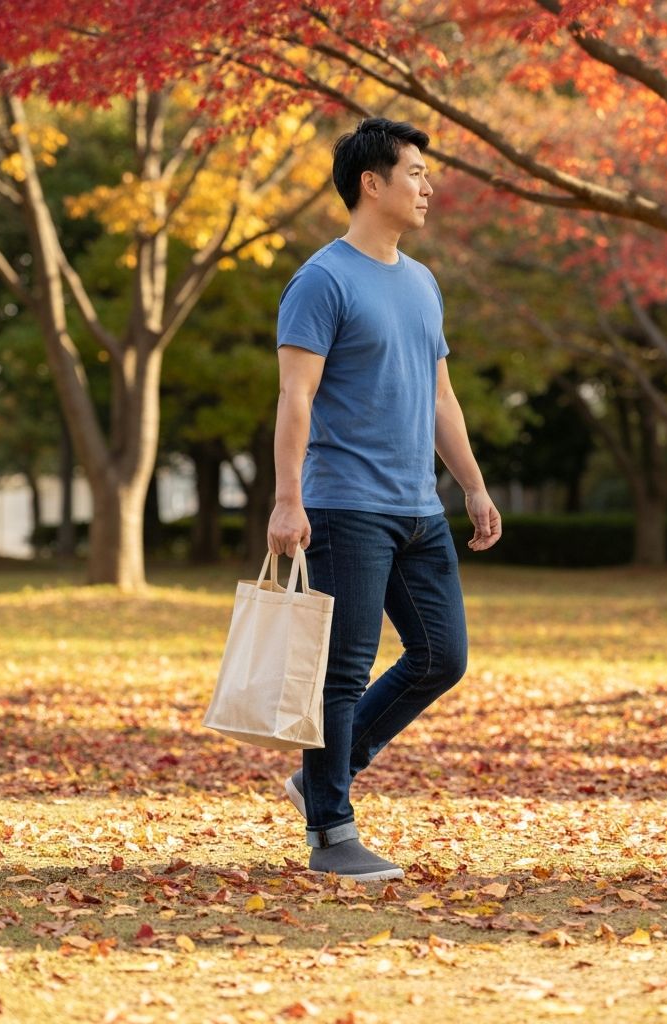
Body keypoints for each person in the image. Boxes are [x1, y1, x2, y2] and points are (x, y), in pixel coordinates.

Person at [267, 118, 502, 881]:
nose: (428, 186)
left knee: (442, 656)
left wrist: (471, 483)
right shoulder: (322, 280)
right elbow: (295, 398)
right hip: (344, 506)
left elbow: (440, 397)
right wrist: (286, 500)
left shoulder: (422, 281)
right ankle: (332, 832)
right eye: (415, 171)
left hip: (418, 509)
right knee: (342, 670)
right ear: (372, 183)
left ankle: (322, 774)